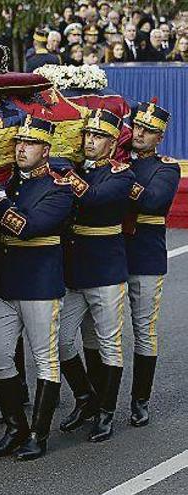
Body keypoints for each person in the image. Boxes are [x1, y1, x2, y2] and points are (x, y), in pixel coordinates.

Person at [0, 117, 73, 461]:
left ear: (46, 150)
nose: (22, 148)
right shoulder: (9, 183)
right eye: (19, 142)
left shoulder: (59, 188)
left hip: (40, 282)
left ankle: (38, 433)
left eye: (31, 143)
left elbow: (25, 228)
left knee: (45, 361)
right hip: (5, 282)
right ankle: (15, 425)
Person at [58, 109, 134, 443]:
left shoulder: (122, 174)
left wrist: (62, 171)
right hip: (77, 269)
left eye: (99, 136)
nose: (90, 141)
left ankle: (106, 412)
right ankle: (85, 397)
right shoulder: (76, 169)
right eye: (88, 135)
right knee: (59, 339)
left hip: (106, 268)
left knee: (108, 344)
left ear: (113, 142)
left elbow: (94, 198)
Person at [122, 102, 180, 427]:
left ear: (159, 137)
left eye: (148, 131)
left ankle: (140, 398)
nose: (139, 134)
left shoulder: (166, 168)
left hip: (145, 255)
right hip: (112, 253)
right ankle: (95, 400)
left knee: (144, 330)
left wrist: (113, 178)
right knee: (102, 332)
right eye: (137, 127)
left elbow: (153, 200)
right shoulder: (117, 160)